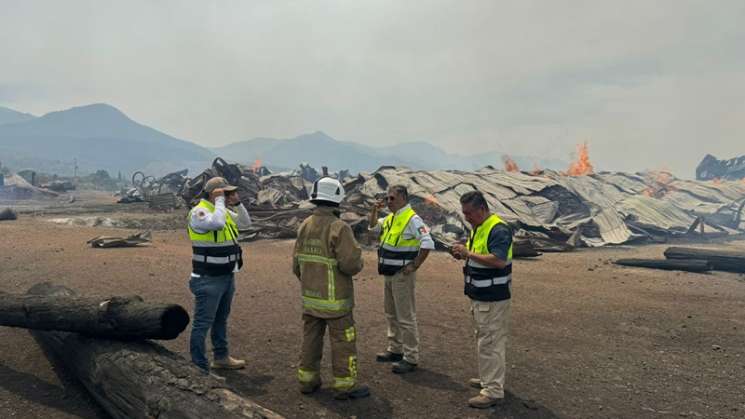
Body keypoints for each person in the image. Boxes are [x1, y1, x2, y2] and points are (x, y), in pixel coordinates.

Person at [293, 177, 370, 400]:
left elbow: (296, 265)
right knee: (343, 342)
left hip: (310, 298)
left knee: (310, 340)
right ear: (337, 199)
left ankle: (307, 382)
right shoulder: (339, 227)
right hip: (336, 302)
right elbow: (351, 265)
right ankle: (345, 386)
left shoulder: (304, 225)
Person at [450, 190, 513, 408]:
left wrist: (467, 254)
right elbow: (478, 256)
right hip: (480, 295)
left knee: (491, 342)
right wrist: (464, 253)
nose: (466, 217)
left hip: (493, 297)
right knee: (484, 339)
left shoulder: (498, 229)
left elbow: (498, 261)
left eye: (469, 213)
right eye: (464, 213)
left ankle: (493, 391)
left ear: (482, 209)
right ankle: (489, 379)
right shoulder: (478, 227)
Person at [187, 176, 251, 376]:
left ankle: (221, 358)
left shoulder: (223, 211)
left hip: (226, 276)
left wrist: (238, 203)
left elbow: (246, 223)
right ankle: (200, 368)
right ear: (215, 194)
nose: (229, 195)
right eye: (226, 192)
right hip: (207, 278)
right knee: (202, 324)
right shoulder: (200, 212)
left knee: (220, 319)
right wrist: (221, 201)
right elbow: (217, 224)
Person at [368, 185, 433, 374]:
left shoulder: (412, 219)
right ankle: (395, 349)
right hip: (389, 272)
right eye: (387, 198)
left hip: (402, 275)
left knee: (405, 316)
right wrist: (374, 210)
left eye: (392, 199)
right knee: (391, 313)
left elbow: (428, 242)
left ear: (403, 198)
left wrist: (415, 265)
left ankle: (410, 357)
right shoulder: (392, 217)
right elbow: (373, 226)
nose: (389, 202)